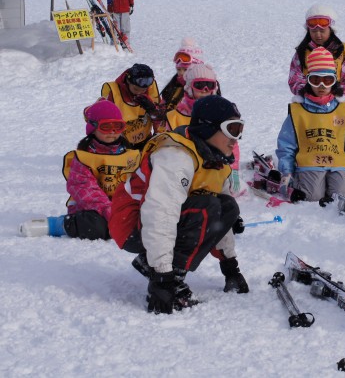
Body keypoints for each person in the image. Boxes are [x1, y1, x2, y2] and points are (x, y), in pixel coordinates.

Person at [109, 95, 249, 314]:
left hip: (156, 221)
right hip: (131, 224)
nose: (236, 138)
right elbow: (160, 213)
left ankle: (152, 262)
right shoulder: (175, 156)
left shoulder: (215, 160)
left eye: (239, 129)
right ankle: (170, 275)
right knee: (207, 207)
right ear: (208, 128)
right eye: (231, 129)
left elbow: (222, 216)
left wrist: (230, 266)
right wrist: (162, 278)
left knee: (227, 206)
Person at [18, 100, 140, 239]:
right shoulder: (83, 158)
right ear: (93, 127)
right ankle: (58, 225)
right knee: (96, 228)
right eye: (106, 126)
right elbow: (86, 190)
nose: (112, 132)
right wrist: (110, 211)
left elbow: (139, 185)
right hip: (91, 209)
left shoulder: (132, 156)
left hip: (121, 209)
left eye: (118, 126)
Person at [277, 47, 345, 202]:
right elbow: (286, 144)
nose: (322, 86)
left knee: (342, 197)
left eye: (328, 80)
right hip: (309, 163)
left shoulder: (343, 110)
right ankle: (298, 183)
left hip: (337, 163)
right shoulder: (298, 110)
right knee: (312, 197)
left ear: (334, 81)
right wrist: (287, 172)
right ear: (308, 80)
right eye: (316, 80)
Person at [162, 63, 242, 195]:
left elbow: (231, 143)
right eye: (199, 85)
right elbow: (167, 147)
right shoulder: (174, 117)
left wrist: (233, 170)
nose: (205, 89)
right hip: (183, 172)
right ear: (189, 87)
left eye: (209, 85)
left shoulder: (221, 113)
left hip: (212, 172)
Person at [288, 4, 345, 99]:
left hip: (335, 105)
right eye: (313, 31)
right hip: (308, 104)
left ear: (331, 29)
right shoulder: (302, 52)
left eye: (322, 31)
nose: (318, 35)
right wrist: (306, 94)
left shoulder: (343, 51)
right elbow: (295, 79)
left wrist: (338, 96)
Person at [101, 63, 163, 150]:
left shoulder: (150, 89)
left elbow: (160, 118)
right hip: (122, 144)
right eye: (136, 89)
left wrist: (153, 110)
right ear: (128, 81)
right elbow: (97, 119)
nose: (140, 93)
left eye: (144, 90)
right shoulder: (114, 93)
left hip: (146, 140)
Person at [159, 37, 205, 114]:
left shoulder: (202, 91)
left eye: (185, 70)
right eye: (179, 69)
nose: (181, 73)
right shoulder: (173, 86)